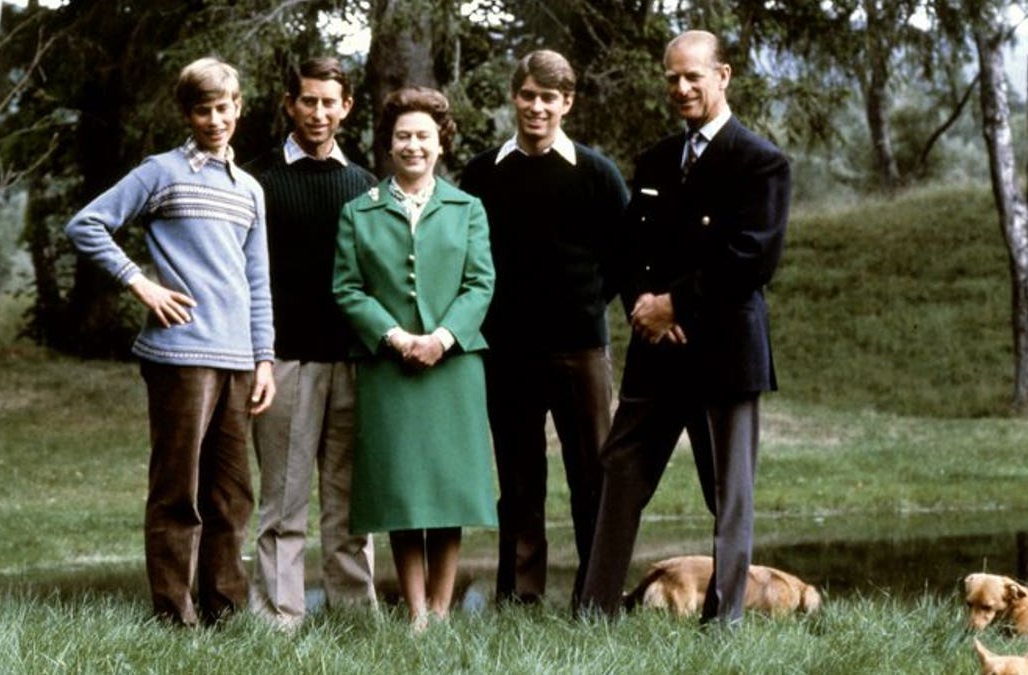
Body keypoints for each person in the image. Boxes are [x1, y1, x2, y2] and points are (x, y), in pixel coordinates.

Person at [579, 30, 791, 625]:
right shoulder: (653, 161)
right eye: (672, 77)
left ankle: (723, 623)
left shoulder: (760, 162)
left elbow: (753, 257)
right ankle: (594, 612)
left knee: (728, 496)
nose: (682, 88)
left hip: (724, 355)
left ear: (722, 76)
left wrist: (676, 304)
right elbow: (624, 251)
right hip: (656, 352)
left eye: (693, 76)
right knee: (618, 473)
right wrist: (643, 305)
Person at [64, 57, 275, 627]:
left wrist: (264, 359)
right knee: (178, 492)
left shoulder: (250, 190)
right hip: (180, 355)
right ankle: (173, 620)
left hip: (237, 359)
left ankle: (225, 615)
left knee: (232, 497)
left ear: (239, 108)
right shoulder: (161, 172)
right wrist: (140, 283)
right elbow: (86, 224)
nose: (215, 119)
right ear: (187, 113)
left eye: (224, 107)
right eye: (203, 109)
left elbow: (257, 281)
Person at [459, 49, 628, 607]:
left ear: (567, 104)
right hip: (506, 352)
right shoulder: (483, 173)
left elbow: (621, 261)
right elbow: (467, 257)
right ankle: (520, 597)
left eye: (549, 98)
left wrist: (580, 307)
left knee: (592, 478)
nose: (537, 107)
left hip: (580, 348)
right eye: (528, 95)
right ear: (515, 97)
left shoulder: (597, 175)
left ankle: (596, 597)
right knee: (520, 481)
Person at [331, 86, 496, 630]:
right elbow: (348, 289)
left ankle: (443, 611)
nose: (413, 145)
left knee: (448, 491)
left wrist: (441, 338)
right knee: (403, 493)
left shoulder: (467, 208)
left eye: (424, 135)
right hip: (389, 368)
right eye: (403, 135)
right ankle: (417, 612)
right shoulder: (359, 211)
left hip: (453, 367)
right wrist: (398, 339)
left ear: (441, 142)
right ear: (388, 143)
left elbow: (480, 283)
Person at [245, 56, 377, 630]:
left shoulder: (367, 186)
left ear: (346, 107)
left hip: (354, 363)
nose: (318, 112)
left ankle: (355, 617)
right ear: (289, 104)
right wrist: (260, 357)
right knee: (284, 503)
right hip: (287, 362)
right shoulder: (258, 182)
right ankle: (280, 620)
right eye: (308, 100)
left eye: (330, 102)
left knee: (350, 506)